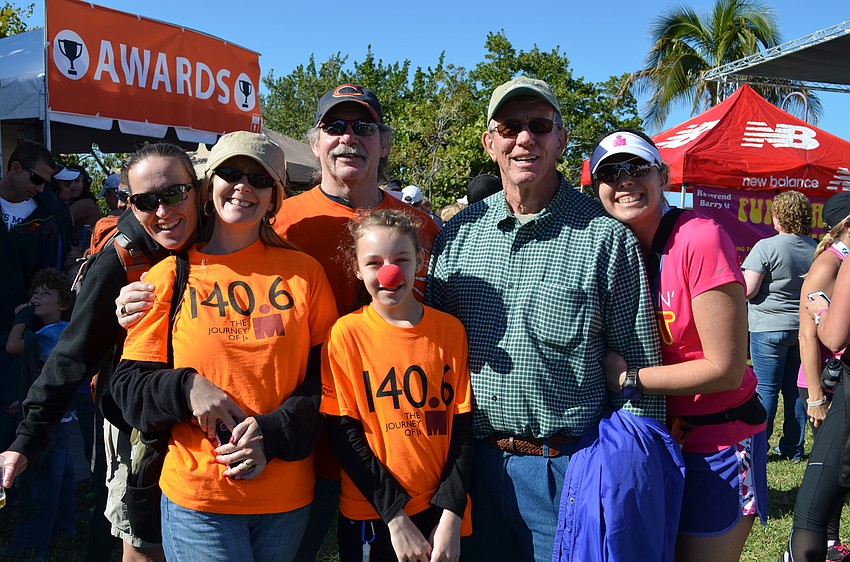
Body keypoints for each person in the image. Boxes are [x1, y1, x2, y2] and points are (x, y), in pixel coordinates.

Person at [425, 77, 665, 562]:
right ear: (489, 142)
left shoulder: (605, 238)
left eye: (539, 125)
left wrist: (632, 477)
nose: (524, 139)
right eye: (509, 127)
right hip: (472, 466)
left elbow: (641, 377)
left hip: (569, 468)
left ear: (561, 139)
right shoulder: (457, 235)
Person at [109, 131, 338, 562]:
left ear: (274, 199)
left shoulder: (305, 274)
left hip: (286, 499)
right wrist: (187, 388)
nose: (243, 186)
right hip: (199, 499)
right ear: (208, 185)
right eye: (231, 173)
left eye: (260, 180)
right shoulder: (169, 276)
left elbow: (326, 379)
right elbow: (129, 388)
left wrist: (272, 434)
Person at [1, 142, 205, 562]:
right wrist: (27, 438)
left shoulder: (223, 241)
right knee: (143, 542)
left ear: (197, 189)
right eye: (146, 201)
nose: (162, 210)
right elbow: (72, 354)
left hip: (209, 422)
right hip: (139, 423)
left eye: (173, 193)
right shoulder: (120, 260)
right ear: (129, 203)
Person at [590, 129, 768, 562]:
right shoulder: (611, 248)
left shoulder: (699, 238)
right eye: (610, 173)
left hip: (719, 441)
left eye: (638, 167)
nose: (625, 179)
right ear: (597, 188)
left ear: (663, 176)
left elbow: (725, 368)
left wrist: (629, 379)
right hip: (653, 441)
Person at [322, 208, 472, 562]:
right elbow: (344, 435)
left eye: (401, 259)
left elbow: (463, 431)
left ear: (420, 261)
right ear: (356, 269)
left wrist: (451, 513)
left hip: (440, 515)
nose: (389, 272)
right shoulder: (346, 335)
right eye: (374, 263)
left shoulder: (450, 331)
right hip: (376, 514)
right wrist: (395, 516)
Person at [785, 192, 850, 562]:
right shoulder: (830, 262)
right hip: (822, 382)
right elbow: (807, 335)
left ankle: (829, 542)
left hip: (840, 380)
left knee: (835, 476)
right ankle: (826, 543)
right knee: (827, 475)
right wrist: (814, 397)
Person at [4, 267, 75, 561]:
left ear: (63, 304)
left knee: (41, 484)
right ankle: (65, 527)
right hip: (61, 415)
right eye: (35, 292)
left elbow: (12, 346)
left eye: (46, 293)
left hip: (48, 420)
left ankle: (31, 547)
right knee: (62, 474)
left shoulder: (50, 333)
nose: (37, 297)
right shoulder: (63, 331)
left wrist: (21, 317)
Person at [742, 191, 816, 463]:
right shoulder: (816, 247)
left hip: (767, 327)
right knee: (795, 390)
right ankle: (793, 448)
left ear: (779, 216)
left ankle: (760, 445)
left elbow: (748, 290)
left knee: (766, 389)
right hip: (803, 329)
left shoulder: (766, 246)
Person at [0, 140, 65, 452]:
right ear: (15, 168)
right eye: (37, 179)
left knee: (10, 416)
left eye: (46, 183)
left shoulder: (46, 220)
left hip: (16, 331)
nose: (40, 189)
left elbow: (47, 277)